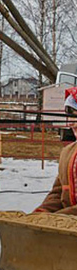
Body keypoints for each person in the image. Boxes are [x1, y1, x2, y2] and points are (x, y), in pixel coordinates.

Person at [33, 86, 77, 214]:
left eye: (75, 117)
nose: (70, 123)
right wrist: (41, 213)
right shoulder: (68, 152)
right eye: (68, 117)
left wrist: (58, 218)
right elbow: (58, 192)